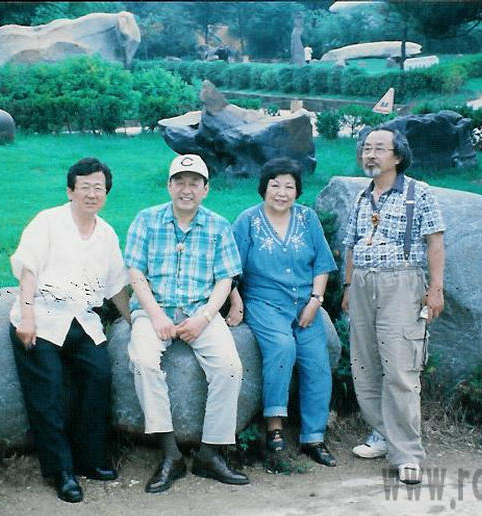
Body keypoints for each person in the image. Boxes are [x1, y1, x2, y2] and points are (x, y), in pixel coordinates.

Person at [124, 153, 249, 493]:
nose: (186, 189)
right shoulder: (147, 220)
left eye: (195, 183)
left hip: (200, 310)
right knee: (143, 360)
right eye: (179, 181)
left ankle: (211, 453)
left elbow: (225, 279)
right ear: (169, 186)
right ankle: (170, 454)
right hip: (155, 309)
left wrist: (205, 317)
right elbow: (135, 272)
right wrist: (156, 315)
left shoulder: (218, 225)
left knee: (229, 368)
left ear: (206, 189)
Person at [8, 157, 131, 503]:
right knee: (47, 391)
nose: (92, 194)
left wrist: (134, 320)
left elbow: (116, 287)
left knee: (99, 376)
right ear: (70, 191)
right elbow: (28, 271)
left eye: (98, 188)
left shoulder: (106, 234)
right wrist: (27, 318)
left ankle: (90, 459)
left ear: (106, 194)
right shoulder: (47, 222)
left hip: (83, 321)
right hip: (41, 318)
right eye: (85, 187)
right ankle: (60, 471)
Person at [342, 126, 445, 485]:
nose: (370, 155)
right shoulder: (362, 195)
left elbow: (435, 243)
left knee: (401, 369)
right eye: (366, 148)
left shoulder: (419, 192)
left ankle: (408, 454)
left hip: (401, 282)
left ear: (397, 156)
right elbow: (352, 244)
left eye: (379, 149)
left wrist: (435, 288)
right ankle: (383, 435)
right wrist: (348, 286)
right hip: (362, 283)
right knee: (364, 366)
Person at [227, 157, 338, 467]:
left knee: (317, 361)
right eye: (275, 185)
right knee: (282, 347)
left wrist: (316, 300)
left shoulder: (308, 218)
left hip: (306, 303)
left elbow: (322, 263)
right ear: (264, 188)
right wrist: (236, 301)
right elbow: (229, 268)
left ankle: (313, 437)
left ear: (297, 191)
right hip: (264, 303)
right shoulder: (248, 221)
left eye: (289, 186)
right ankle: (274, 426)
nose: (281, 192)